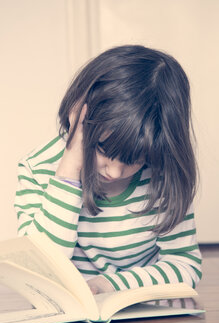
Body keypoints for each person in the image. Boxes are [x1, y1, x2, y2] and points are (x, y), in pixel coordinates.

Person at [14, 45, 202, 295]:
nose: (114, 172)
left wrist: (111, 285)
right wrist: (70, 168)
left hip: (138, 310)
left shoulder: (163, 174)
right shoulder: (38, 169)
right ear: (78, 115)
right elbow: (42, 268)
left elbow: (184, 265)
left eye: (134, 160)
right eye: (103, 148)